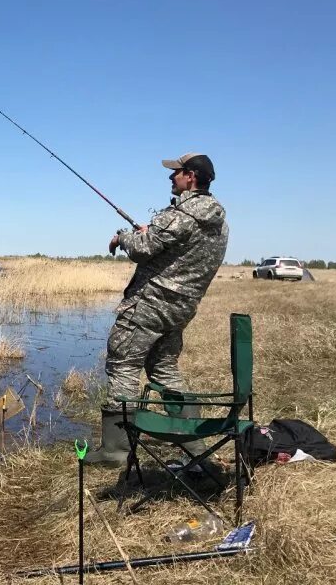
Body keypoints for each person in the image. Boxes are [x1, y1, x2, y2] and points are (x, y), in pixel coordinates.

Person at [85, 152, 229, 466]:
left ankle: (114, 452)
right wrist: (151, 232)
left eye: (175, 172)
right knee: (164, 370)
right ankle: (195, 444)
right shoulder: (219, 224)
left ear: (191, 176)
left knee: (122, 365)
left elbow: (142, 249)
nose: (170, 178)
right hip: (180, 310)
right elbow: (174, 250)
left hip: (148, 306)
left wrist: (124, 237)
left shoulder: (180, 214)